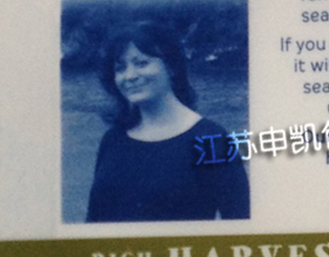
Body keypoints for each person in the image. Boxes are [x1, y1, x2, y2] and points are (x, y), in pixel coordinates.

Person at [86, 22, 249, 222]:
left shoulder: (213, 140)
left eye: (141, 63)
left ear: (171, 67)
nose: (130, 76)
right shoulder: (112, 139)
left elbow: (240, 224)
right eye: (120, 68)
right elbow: (93, 221)